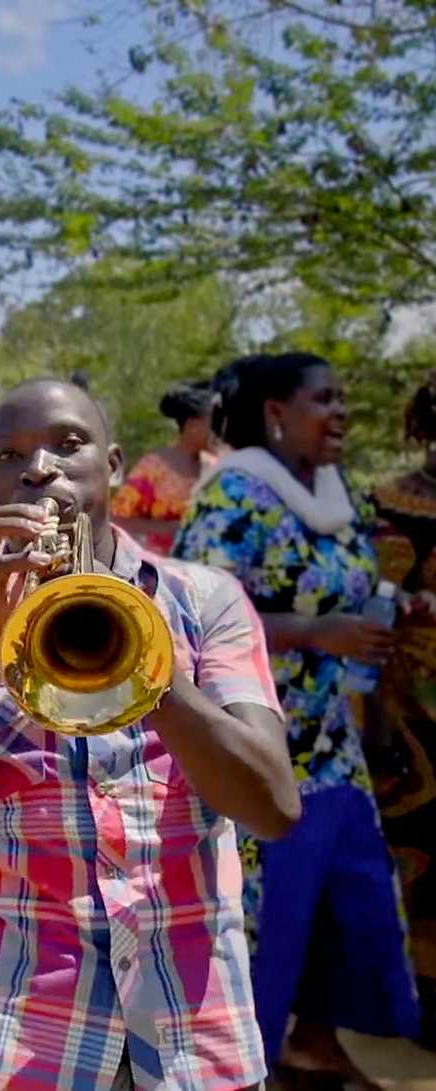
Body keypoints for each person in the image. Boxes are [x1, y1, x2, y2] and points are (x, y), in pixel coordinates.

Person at [0, 377, 301, 1091]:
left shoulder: (204, 603)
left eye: (66, 444)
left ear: (111, 466)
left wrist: (140, 660)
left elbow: (272, 805)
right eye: (6, 455)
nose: (38, 468)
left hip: (195, 1041)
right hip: (23, 1042)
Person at [174, 353, 421, 1087]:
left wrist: (392, 609)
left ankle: (312, 1043)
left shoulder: (329, 491)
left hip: (329, 740)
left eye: (343, 396)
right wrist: (318, 633)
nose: (341, 411)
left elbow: (340, 584)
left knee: (349, 902)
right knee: (265, 910)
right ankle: (240, 1062)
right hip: (258, 737)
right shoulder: (234, 497)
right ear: (276, 412)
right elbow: (194, 608)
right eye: (325, 399)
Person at [369, 376, 436, 1050]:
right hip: (414, 705)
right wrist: (382, 722)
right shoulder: (393, 503)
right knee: (421, 850)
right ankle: (422, 1000)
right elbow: (379, 609)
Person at [111, 380, 219, 553]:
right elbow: (117, 519)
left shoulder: (216, 467)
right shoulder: (153, 468)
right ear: (192, 425)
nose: (219, 431)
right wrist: (166, 528)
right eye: (214, 424)